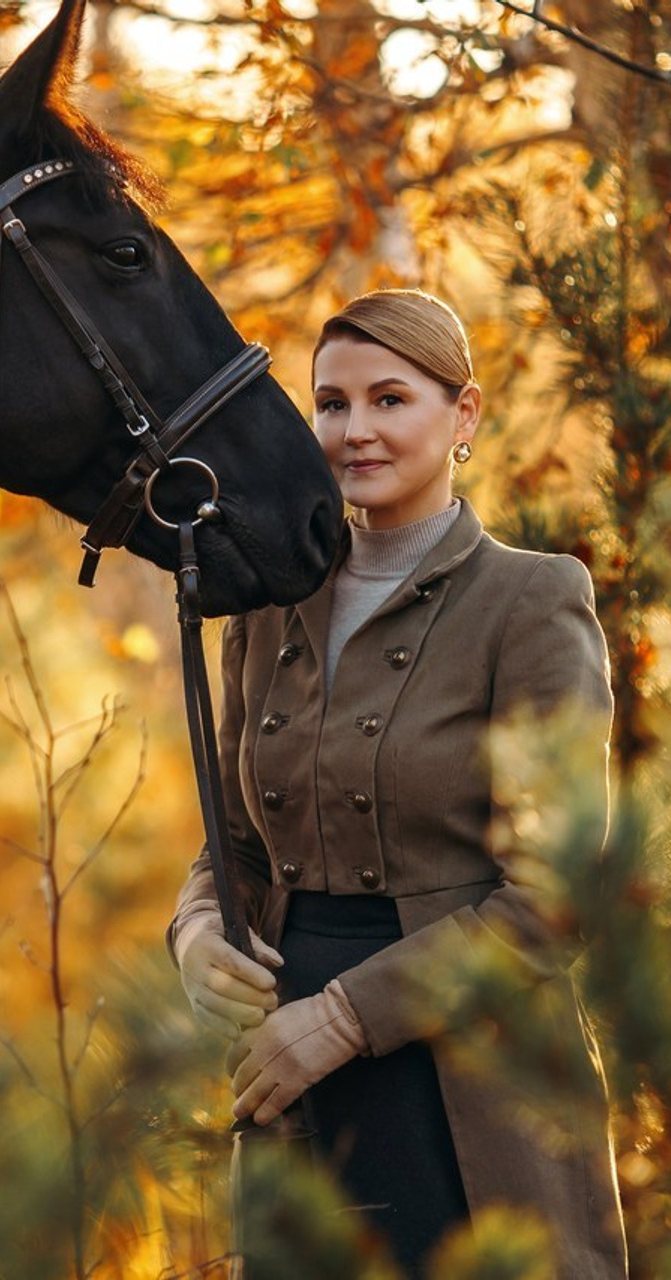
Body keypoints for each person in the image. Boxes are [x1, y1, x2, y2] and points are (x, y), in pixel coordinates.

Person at [168, 289, 627, 1276]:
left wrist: (339, 1018)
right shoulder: (265, 602)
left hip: (471, 1076)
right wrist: (197, 928)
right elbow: (236, 838)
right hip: (284, 1069)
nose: (354, 430)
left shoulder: (530, 598)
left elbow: (550, 900)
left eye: (389, 398)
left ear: (460, 416)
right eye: (330, 405)